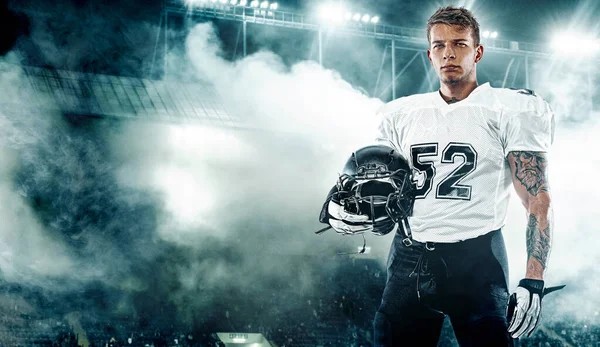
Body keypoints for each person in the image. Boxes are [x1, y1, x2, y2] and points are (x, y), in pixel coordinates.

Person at [319, 6, 562, 346]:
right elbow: (373, 175)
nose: (449, 52)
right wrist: (338, 202)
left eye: (460, 44)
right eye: (439, 45)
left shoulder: (508, 109)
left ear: (477, 52)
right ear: (429, 54)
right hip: (409, 254)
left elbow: (538, 197)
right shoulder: (400, 114)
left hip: (479, 257)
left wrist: (534, 279)